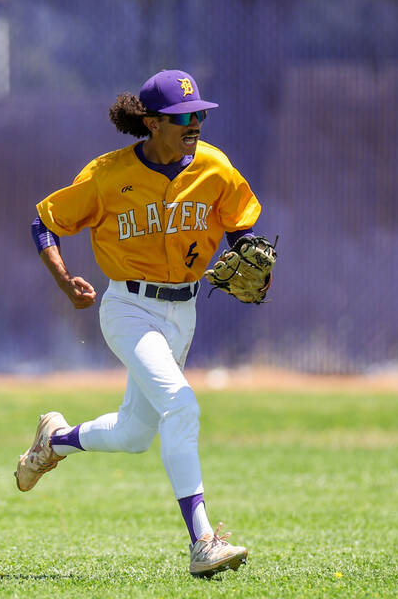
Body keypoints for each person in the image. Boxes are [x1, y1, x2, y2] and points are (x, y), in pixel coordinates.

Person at [14, 68, 265, 578]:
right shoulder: (108, 175)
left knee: (133, 433)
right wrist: (65, 282)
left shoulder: (214, 167)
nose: (194, 123)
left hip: (183, 311)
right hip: (128, 308)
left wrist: (247, 255)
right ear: (152, 123)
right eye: (181, 117)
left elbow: (242, 226)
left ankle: (54, 440)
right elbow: (46, 220)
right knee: (181, 403)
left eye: (198, 114)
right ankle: (203, 543)